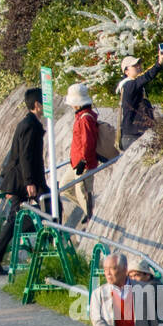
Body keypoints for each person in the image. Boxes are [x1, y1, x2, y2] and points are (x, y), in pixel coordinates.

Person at [0, 88, 48, 275]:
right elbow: (25, 155)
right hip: (23, 180)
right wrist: (29, 181)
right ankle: (43, 251)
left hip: (23, 179)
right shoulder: (30, 125)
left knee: (15, 218)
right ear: (37, 105)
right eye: (43, 101)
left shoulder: (28, 123)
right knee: (49, 208)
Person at [117, 48, 163, 150]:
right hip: (133, 137)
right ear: (126, 71)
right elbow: (146, 77)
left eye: (139, 64)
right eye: (135, 65)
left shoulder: (133, 85)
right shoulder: (129, 85)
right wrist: (159, 63)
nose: (139, 66)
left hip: (135, 136)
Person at [64, 83, 98, 224]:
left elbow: (87, 142)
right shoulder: (82, 117)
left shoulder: (85, 119)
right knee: (65, 188)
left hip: (84, 163)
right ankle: (87, 212)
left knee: (82, 192)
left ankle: (91, 217)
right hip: (76, 161)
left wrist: (83, 161)